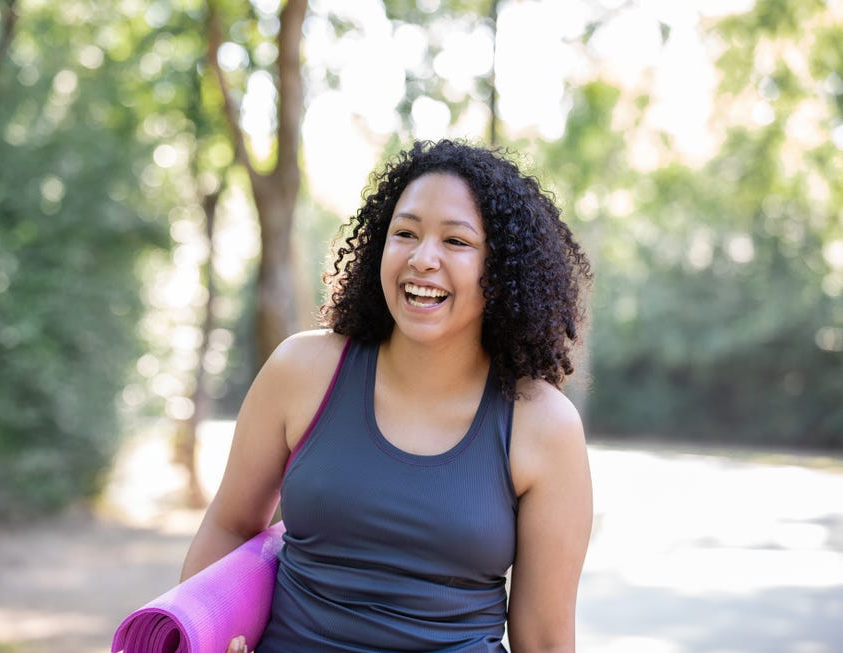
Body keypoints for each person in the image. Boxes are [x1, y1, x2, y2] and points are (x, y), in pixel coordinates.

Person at [179, 139, 594, 652]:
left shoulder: (542, 424)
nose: (423, 259)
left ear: (502, 269)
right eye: (406, 233)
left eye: (456, 242)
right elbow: (230, 525)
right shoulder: (302, 370)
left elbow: (546, 640)